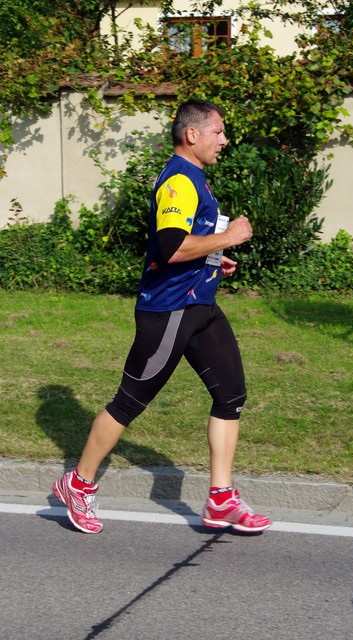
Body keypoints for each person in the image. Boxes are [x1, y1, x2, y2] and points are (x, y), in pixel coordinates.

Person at [52, 98, 272, 535]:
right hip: (169, 310)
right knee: (129, 402)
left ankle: (221, 499)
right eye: (218, 132)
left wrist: (215, 257)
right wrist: (228, 237)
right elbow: (171, 247)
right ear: (192, 134)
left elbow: (187, 242)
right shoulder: (179, 181)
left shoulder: (195, 178)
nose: (224, 140)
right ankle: (77, 483)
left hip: (200, 306)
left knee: (231, 395)